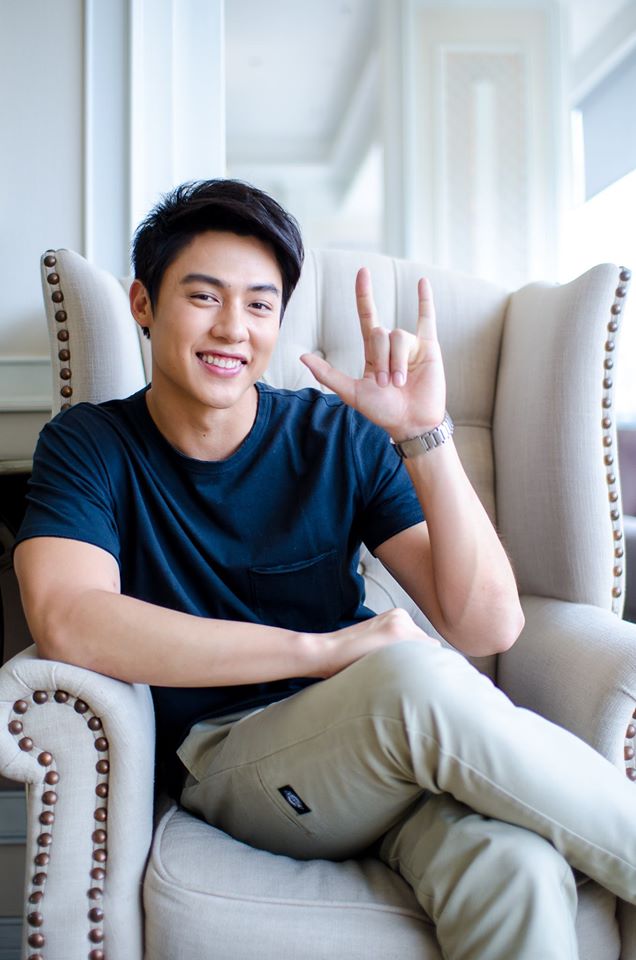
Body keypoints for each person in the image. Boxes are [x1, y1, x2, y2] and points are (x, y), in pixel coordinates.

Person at [13, 179, 636, 960]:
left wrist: (425, 435)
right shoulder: (90, 445)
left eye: (260, 305)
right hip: (234, 759)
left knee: (518, 866)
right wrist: (323, 652)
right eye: (203, 297)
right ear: (144, 303)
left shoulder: (335, 435)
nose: (233, 328)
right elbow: (69, 617)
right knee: (412, 677)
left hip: (386, 751)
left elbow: (489, 625)